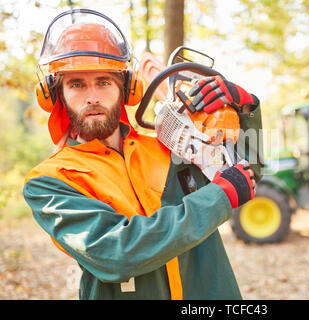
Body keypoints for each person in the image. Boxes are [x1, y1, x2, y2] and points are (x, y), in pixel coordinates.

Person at [23, 9, 263, 300]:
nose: (92, 96)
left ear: (127, 88)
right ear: (55, 94)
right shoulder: (49, 181)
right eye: (76, 84)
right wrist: (218, 198)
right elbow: (117, 252)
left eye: (103, 81)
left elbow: (244, 174)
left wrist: (244, 109)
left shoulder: (169, 146)